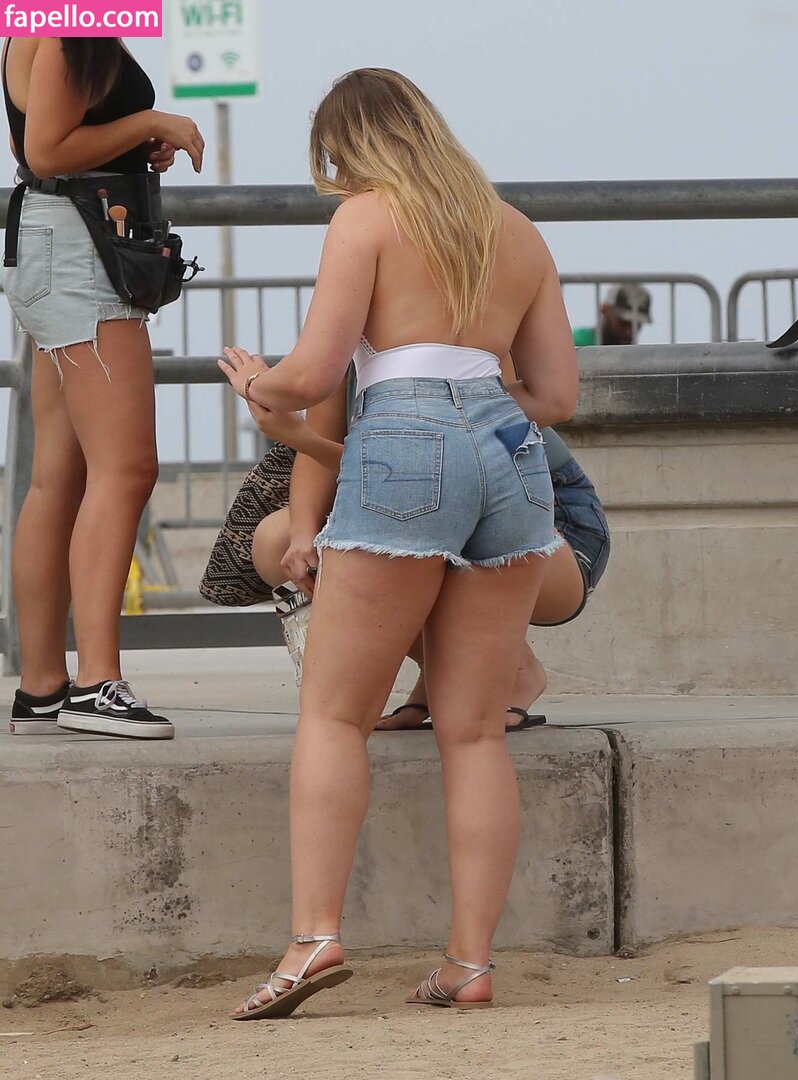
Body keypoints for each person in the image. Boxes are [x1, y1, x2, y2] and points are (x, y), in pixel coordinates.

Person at [218, 68, 578, 1018]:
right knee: (474, 730)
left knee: (335, 714)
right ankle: (468, 962)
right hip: (509, 449)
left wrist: (257, 386)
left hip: (405, 439)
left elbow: (314, 372)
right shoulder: (514, 230)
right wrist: (472, 387)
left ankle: (314, 938)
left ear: (350, 151)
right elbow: (555, 397)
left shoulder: (366, 219)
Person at [3, 37, 204, 738]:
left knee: (58, 477)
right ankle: (95, 683)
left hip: (61, 240)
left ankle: (42, 685)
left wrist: (131, 141)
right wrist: (150, 122)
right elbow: (45, 151)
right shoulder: (67, 25)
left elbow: (44, 141)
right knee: (126, 468)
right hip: (79, 247)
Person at [247, 364, 609, 731]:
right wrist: (303, 537)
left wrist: (304, 440)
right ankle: (437, 673)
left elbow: (466, 469)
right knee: (279, 539)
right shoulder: (343, 351)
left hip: (544, 516)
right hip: (425, 500)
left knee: (436, 523)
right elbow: (325, 459)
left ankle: (515, 670)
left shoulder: (472, 333)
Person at [572, 282, 652, 346]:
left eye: (637, 324)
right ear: (605, 310)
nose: (629, 332)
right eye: (623, 322)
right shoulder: (575, 344)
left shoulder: (634, 356)